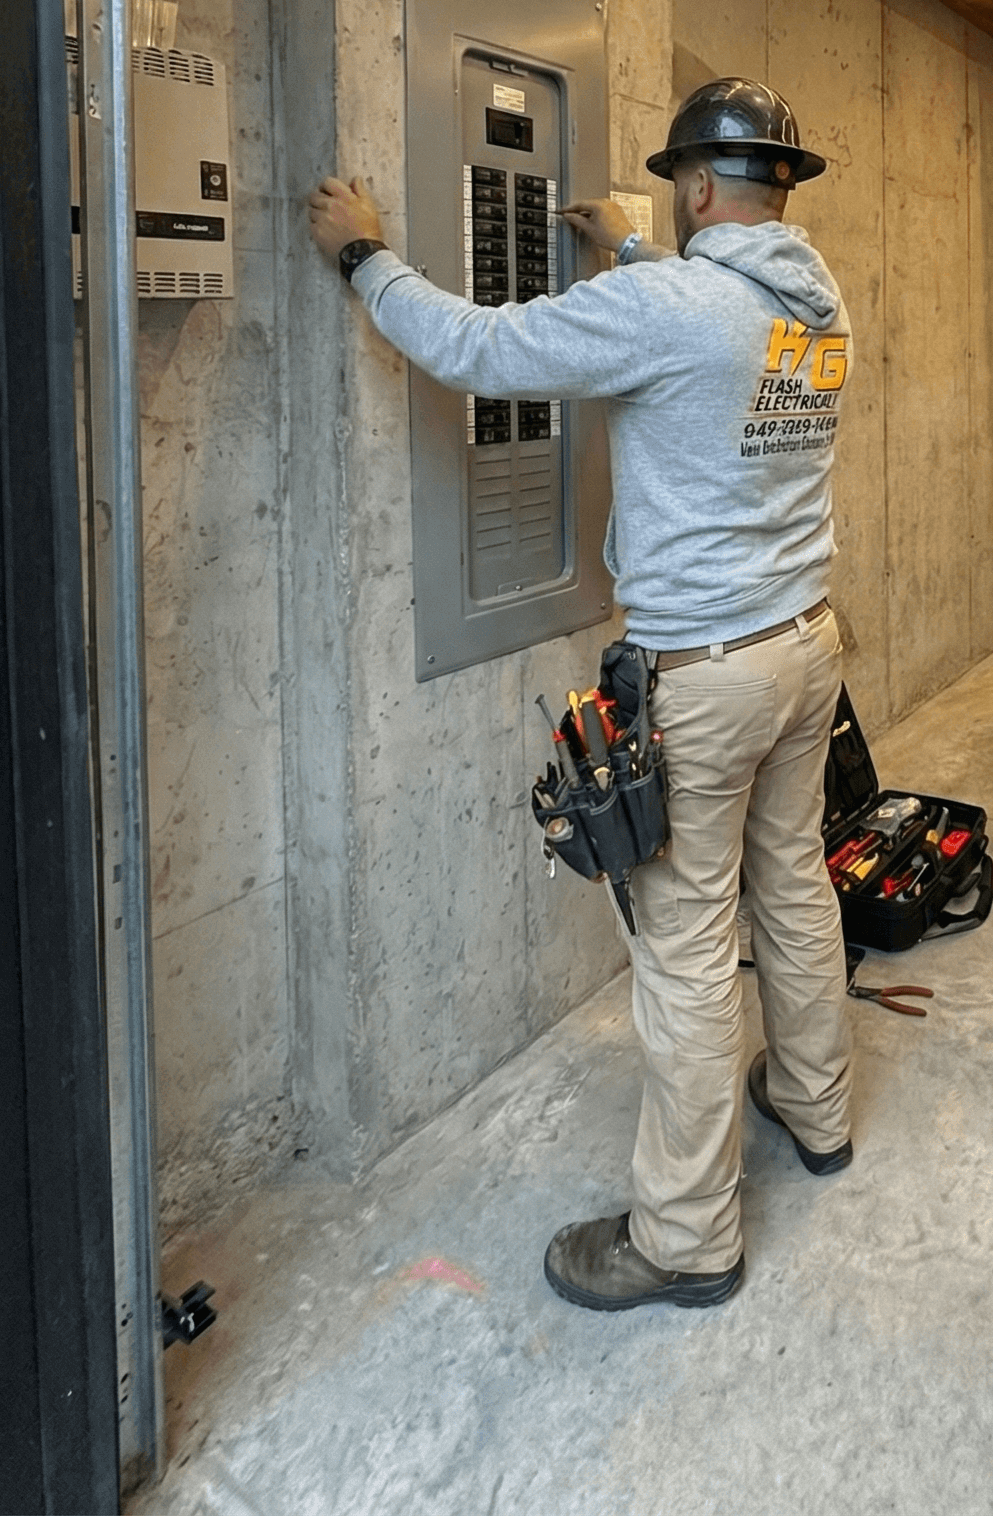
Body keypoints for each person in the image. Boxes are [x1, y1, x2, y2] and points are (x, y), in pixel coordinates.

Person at [306, 78, 855, 1313]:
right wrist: (635, 246)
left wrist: (365, 254)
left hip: (706, 676)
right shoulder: (817, 307)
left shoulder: (671, 304)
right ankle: (817, 1108)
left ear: (700, 187)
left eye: (677, 193)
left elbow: (482, 348)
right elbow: (718, 313)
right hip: (806, 646)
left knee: (686, 952)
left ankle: (685, 1234)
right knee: (796, 879)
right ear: (779, 189)